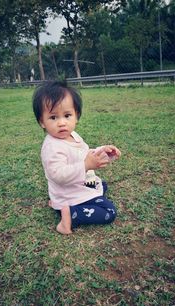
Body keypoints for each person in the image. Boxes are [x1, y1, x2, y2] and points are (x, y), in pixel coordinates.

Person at [32, 80, 121, 235]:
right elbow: (58, 175)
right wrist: (85, 166)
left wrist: (103, 152)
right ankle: (71, 216)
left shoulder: (72, 135)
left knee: (101, 185)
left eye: (67, 115)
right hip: (71, 194)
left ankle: (58, 202)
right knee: (109, 212)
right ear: (42, 122)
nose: (61, 123)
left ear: (76, 116)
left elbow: (85, 153)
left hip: (76, 186)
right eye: (53, 117)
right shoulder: (52, 147)